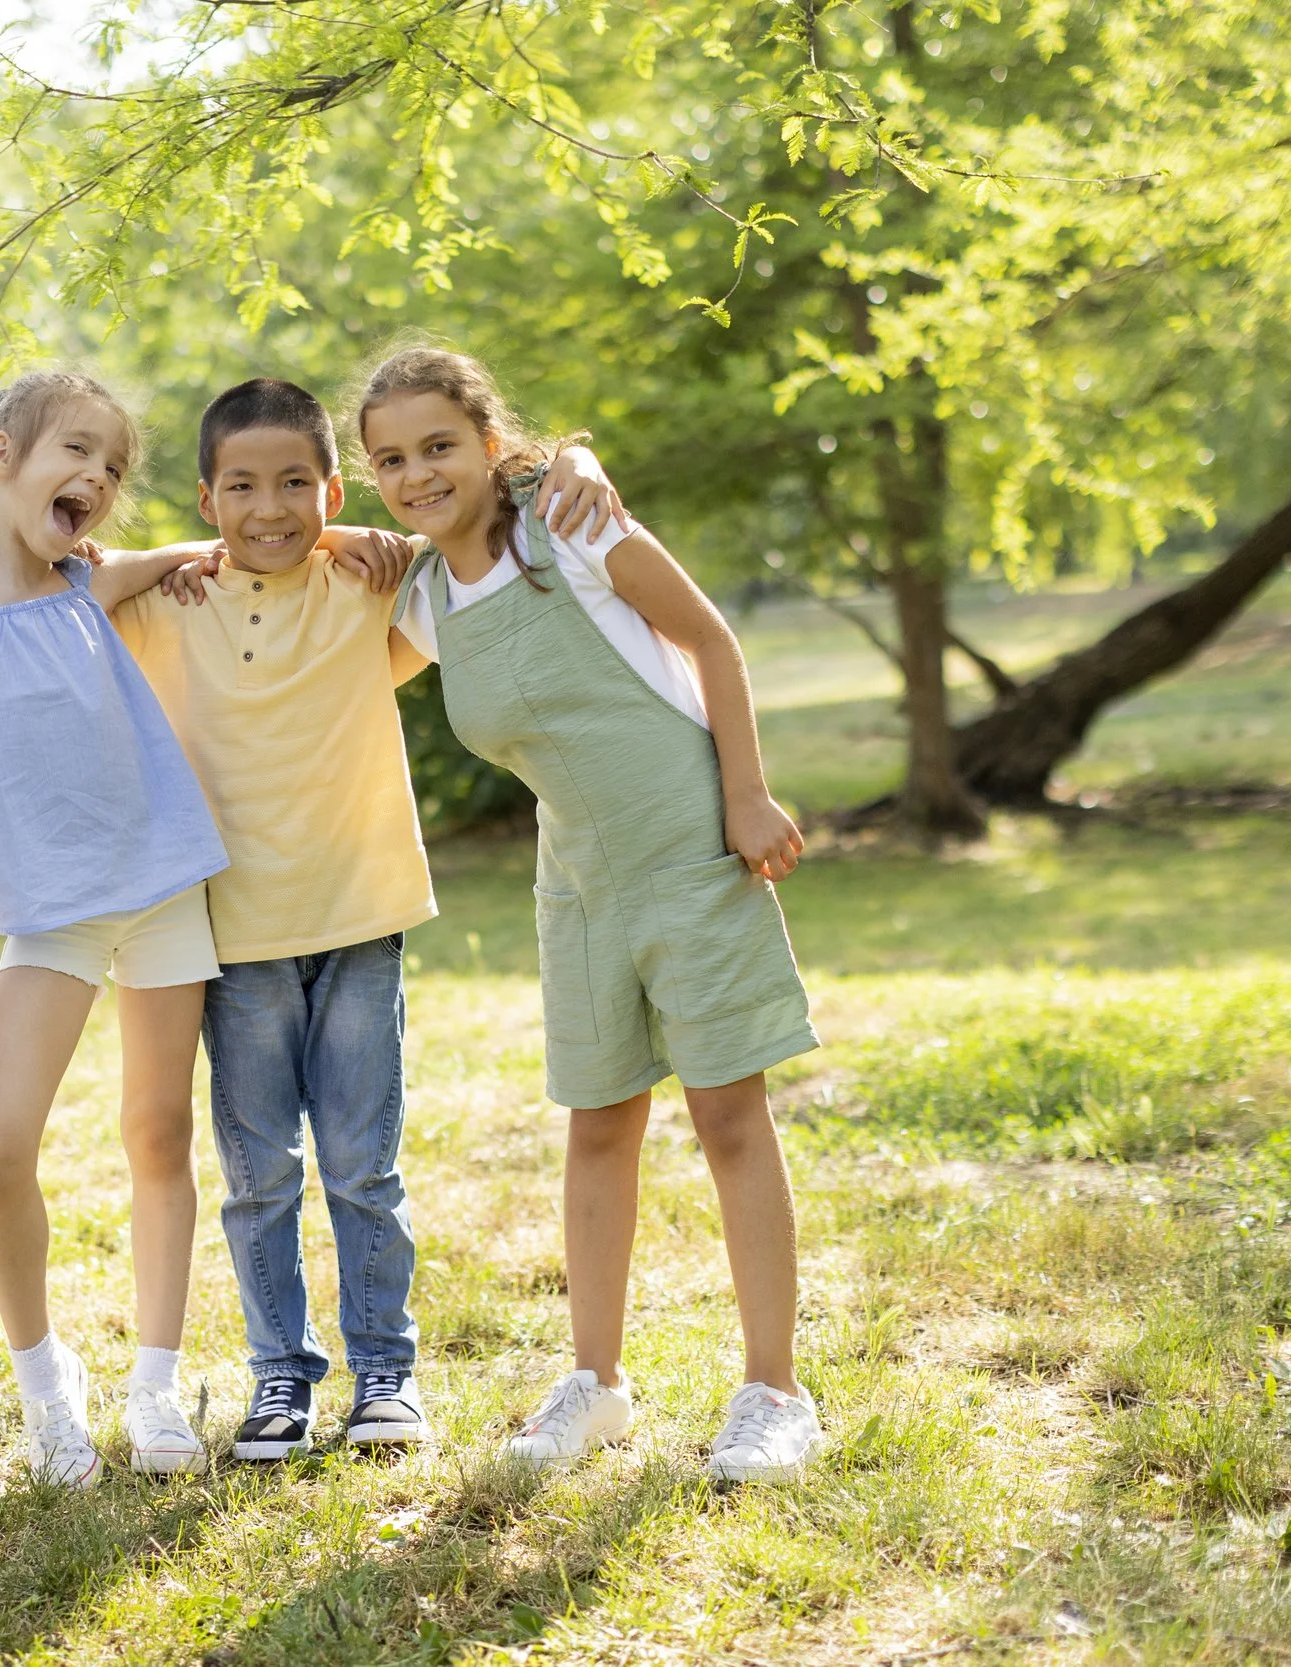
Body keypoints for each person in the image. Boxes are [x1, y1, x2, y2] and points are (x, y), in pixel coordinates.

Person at [113, 378, 627, 1462]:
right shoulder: (172, 605)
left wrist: (563, 463)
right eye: (242, 486)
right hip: (234, 936)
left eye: (296, 483)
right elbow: (56, 596)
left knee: (362, 1165)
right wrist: (163, 558)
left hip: (359, 918)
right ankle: (279, 1379)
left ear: (333, 488)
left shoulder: (368, 586)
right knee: (260, 1176)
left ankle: (385, 1373)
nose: (270, 506)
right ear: (206, 497)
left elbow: (478, 519)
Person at [358, 347, 825, 1485]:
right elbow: (314, 649)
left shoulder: (567, 518)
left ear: (487, 440)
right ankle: (597, 1383)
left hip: (691, 848)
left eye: (438, 446)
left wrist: (747, 792)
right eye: (390, 460)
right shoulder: (420, 592)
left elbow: (711, 637)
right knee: (598, 1123)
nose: (419, 473)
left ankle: (776, 1392)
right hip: (573, 878)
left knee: (727, 1117)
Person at [0, 371, 241, 1485]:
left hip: (161, 885)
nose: (96, 478)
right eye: (75, 452)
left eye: (113, 468)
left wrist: (213, 551)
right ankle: (49, 1391)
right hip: (52, 915)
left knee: (159, 1134)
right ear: (1, 453)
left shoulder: (91, 581)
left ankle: (154, 1383)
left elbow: (202, 551)